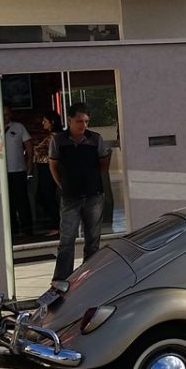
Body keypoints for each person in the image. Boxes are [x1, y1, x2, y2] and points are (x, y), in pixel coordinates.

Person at [49, 102, 111, 281]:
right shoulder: (59, 140)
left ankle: (89, 277)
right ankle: (61, 280)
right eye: (79, 121)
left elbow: (104, 163)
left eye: (86, 121)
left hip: (93, 195)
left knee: (93, 240)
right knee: (66, 240)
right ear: (70, 120)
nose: (83, 125)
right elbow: (53, 165)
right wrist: (63, 185)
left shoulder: (95, 139)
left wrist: (93, 180)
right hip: (70, 196)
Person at [3, 105, 34, 238]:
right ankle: (12, 228)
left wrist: (29, 161)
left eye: (7, 114)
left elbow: (28, 145)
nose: (5, 117)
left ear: (10, 114)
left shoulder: (18, 127)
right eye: (3, 114)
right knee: (8, 201)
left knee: (22, 199)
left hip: (18, 170)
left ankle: (27, 227)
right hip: (3, 172)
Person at [32, 110, 62, 237]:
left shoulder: (55, 137)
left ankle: (58, 224)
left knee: (46, 195)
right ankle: (57, 222)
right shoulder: (52, 136)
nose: (43, 123)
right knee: (43, 195)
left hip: (48, 168)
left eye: (45, 120)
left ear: (52, 122)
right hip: (43, 168)